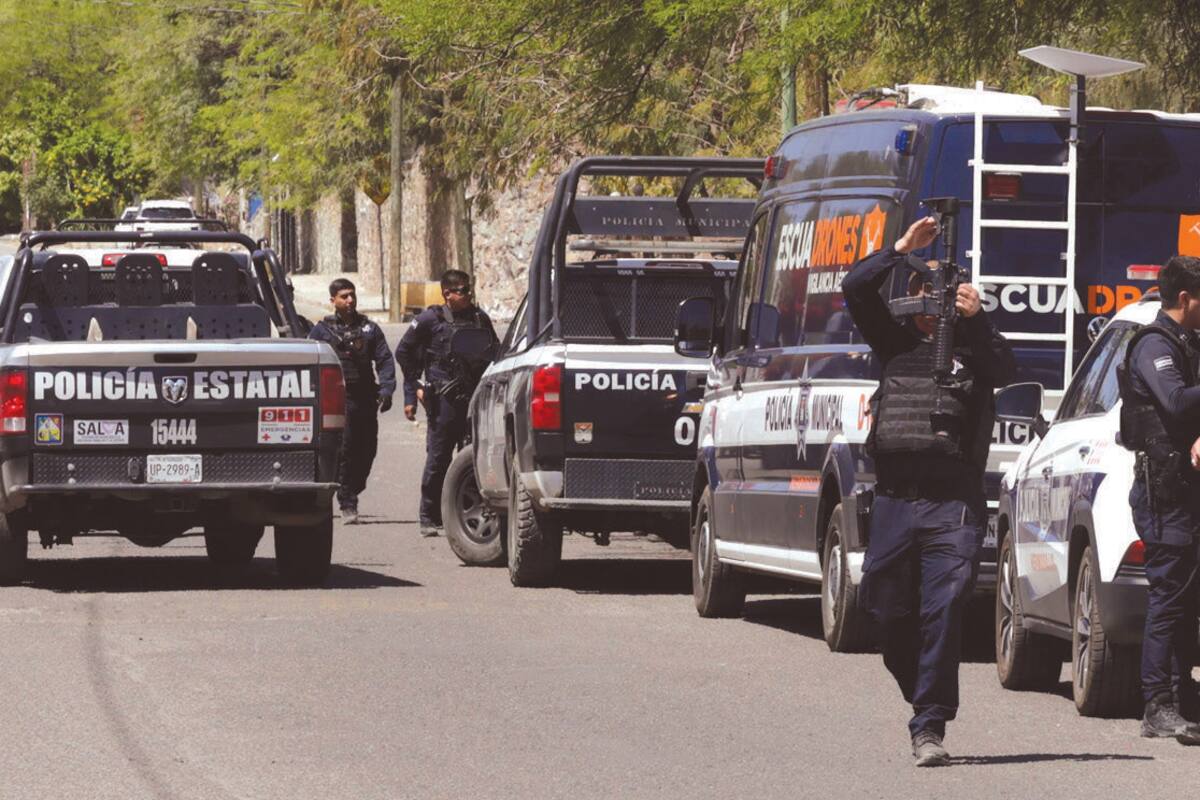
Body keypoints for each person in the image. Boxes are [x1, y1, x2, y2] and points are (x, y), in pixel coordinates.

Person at [841, 216, 1015, 767]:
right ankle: (923, 694)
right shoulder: (891, 343)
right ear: (913, 298)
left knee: (943, 608)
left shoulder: (976, 349)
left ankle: (929, 725)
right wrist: (900, 249)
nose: (935, 301)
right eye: (927, 291)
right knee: (884, 610)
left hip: (952, 504)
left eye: (945, 292)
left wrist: (978, 317)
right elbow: (854, 287)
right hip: (894, 499)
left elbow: (1007, 367)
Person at [1118, 255, 1200, 745]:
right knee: (1168, 598)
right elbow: (1174, 401)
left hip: (1185, 492)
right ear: (1185, 299)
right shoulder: (1153, 344)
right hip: (1162, 491)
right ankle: (1156, 705)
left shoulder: (1189, 343)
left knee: (1186, 599)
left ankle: (1180, 694)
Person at [396, 270, 498, 537]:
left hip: (473, 399)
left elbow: (495, 352)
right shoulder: (431, 319)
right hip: (444, 400)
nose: (467, 295)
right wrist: (416, 385)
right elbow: (403, 351)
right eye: (462, 290)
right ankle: (428, 516)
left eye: (469, 289)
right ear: (447, 294)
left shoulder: (479, 318)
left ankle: (463, 512)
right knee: (439, 459)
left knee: (474, 458)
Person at [308, 278, 396, 525]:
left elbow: (385, 360)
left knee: (367, 450)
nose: (350, 300)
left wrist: (387, 389)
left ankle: (353, 488)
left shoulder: (369, 329)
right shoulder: (322, 331)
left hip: (365, 398)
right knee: (345, 449)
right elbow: (309, 360)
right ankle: (347, 501)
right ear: (333, 300)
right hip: (337, 399)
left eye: (352, 295)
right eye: (344, 296)